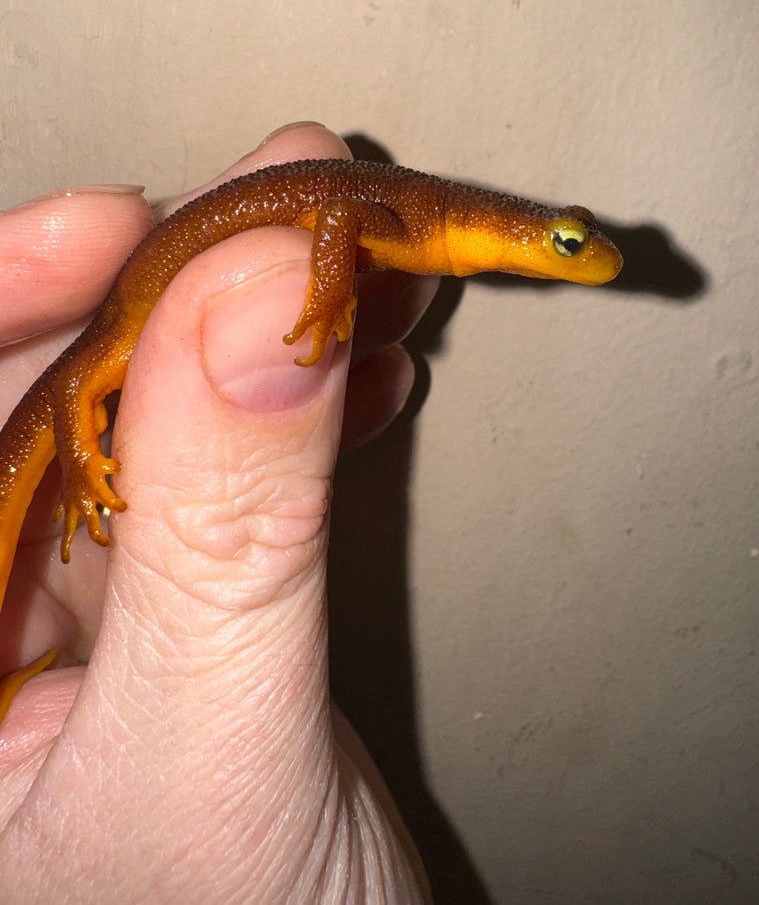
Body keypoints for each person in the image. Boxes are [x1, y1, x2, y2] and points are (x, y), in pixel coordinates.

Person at [0, 122, 435, 902]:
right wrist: (81, 472)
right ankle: (81, 479)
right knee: (75, 392)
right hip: (110, 340)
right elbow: (72, 390)